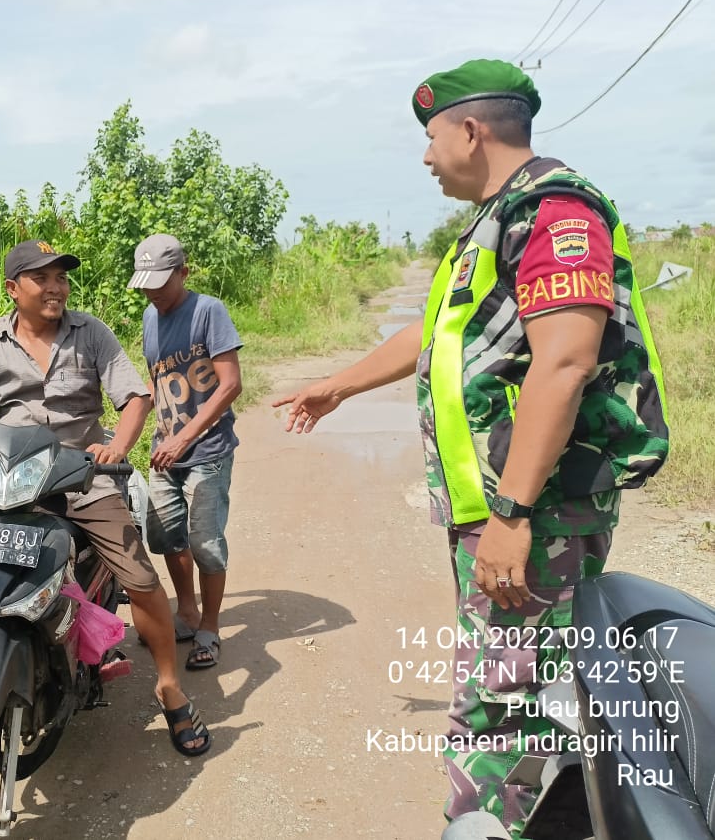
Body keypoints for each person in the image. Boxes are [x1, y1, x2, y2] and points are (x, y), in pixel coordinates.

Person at [274, 59, 668, 837]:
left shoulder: (555, 213)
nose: (426, 157)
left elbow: (565, 361)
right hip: (500, 508)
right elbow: (434, 334)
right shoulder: (491, 226)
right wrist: (339, 386)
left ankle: (496, 823)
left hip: (541, 510)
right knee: (515, 688)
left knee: (505, 707)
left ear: (470, 130)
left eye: (430, 138)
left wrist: (514, 513)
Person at [0, 239, 211, 757]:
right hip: (6, 481)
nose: (56, 287)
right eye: (42, 278)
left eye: (61, 278)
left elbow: (135, 397)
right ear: (12, 288)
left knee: (138, 575)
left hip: (81, 477)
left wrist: (116, 447)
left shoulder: (91, 333)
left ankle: (169, 687)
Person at [128, 233, 243, 671]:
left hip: (207, 450)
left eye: (161, 281)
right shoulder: (148, 319)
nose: (153, 291)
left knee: (205, 543)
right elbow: (159, 383)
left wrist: (184, 438)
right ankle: (187, 611)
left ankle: (209, 629)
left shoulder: (208, 311)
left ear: (183, 272)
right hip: (165, 452)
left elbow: (230, 384)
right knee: (166, 536)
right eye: (146, 283)